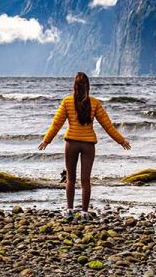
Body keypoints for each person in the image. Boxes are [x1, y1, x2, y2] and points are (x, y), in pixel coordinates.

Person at [38, 72, 130, 214]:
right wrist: (121, 141)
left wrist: (46, 140)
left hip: (71, 144)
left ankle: (69, 209)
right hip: (88, 146)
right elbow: (108, 126)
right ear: (88, 86)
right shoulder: (95, 103)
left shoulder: (67, 101)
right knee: (86, 181)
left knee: (70, 179)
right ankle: (85, 212)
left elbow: (56, 124)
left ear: (74, 86)